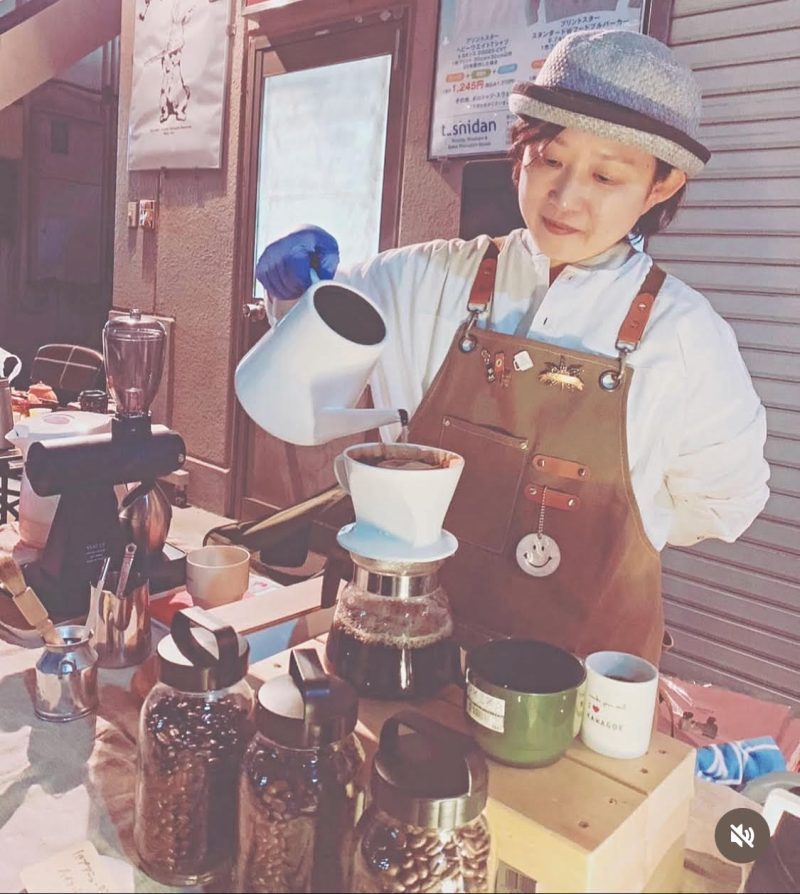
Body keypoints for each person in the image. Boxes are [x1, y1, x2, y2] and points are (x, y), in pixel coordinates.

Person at [254, 29, 770, 665]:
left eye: (606, 175)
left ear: (660, 187)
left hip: (578, 678)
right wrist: (294, 295)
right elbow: (303, 374)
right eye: (549, 159)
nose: (566, 196)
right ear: (520, 149)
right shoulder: (420, 278)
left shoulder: (685, 334)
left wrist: (620, 524)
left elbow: (724, 502)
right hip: (409, 638)